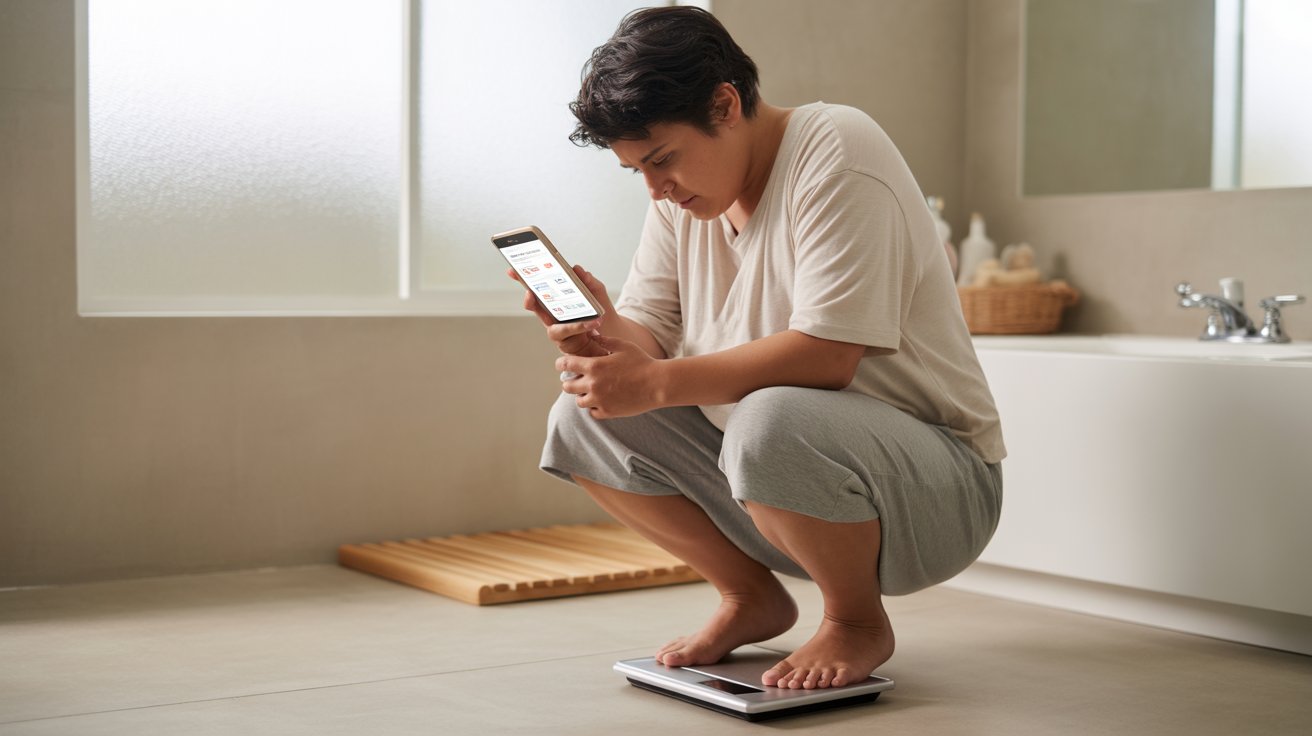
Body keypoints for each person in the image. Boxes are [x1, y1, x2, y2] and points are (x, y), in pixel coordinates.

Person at [512, 6, 1004, 691]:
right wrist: (598, 329)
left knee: (768, 417)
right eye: (637, 171)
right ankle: (749, 597)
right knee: (582, 417)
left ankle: (856, 620)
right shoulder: (683, 200)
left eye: (662, 160)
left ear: (725, 103)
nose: (655, 189)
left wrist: (651, 384)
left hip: (937, 488)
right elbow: (649, 336)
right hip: (781, 482)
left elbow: (828, 356)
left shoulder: (837, 147)